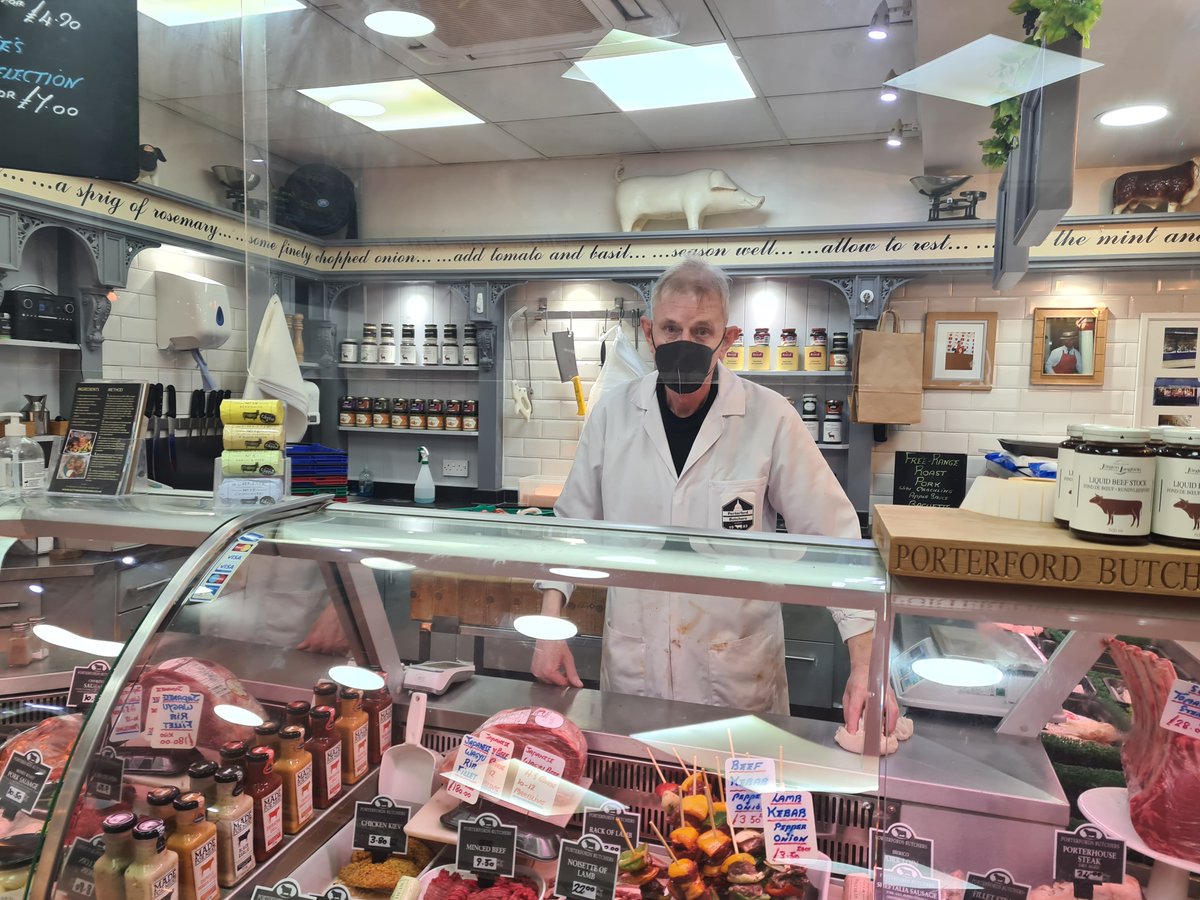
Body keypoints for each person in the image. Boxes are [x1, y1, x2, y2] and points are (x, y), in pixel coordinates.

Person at [531, 257, 897, 734]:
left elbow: (835, 538)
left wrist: (867, 666)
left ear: (728, 339)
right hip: (637, 670)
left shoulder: (770, 417)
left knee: (733, 803)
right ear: (649, 333)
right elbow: (570, 529)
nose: (684, 343)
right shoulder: (613, 415)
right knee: (642, 790)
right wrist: (549, 629)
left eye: (702, 331)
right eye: (671, 328)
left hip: (737, 677)